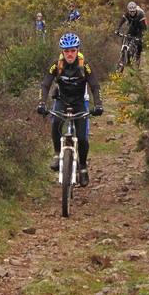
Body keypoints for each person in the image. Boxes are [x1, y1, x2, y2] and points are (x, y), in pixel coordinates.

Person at [37, 32, 103, 185]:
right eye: (66, 51)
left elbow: (94, 85)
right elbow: (45, 84)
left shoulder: (84, 65)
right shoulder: (57, 65)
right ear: (62, 51)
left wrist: (98, 104)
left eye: (73, 50)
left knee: (82, 138)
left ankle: (83, 167)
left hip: (80, 102)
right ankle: (57, 153)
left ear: (77, 50)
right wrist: (41, 102)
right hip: (62, 100)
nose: (70, 54)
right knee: (56, 122)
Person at [116, 1, 148, 66]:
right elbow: (121, 22)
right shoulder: (127, 14)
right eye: (131, 11)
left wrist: (141, 37)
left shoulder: (140, 14)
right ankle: (125, 55)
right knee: (126, 37)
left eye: (133, 11)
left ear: (136, 10)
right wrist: (117, 29)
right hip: (132, 27)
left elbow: (144, 28)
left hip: (140, 28)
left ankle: (138, 57)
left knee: (139, 42)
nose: (132, 13)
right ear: (128, 11)